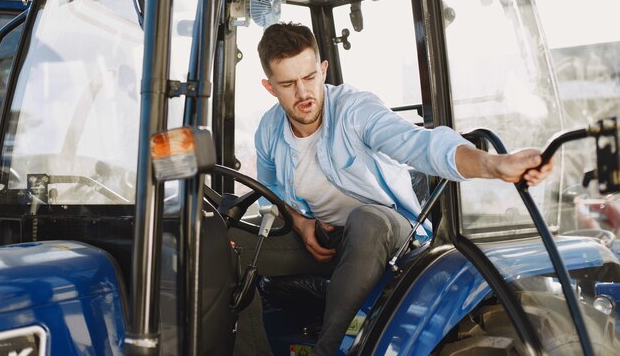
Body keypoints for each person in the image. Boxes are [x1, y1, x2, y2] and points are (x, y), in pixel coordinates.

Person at [230, 22, 553, 356]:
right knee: (224, 241)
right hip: (323, 239)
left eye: (310, 78)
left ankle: (327, 350)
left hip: (391, 234)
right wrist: (300, 223)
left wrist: (492, 164)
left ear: (323, 69)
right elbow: (272, 194)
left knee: (367, 220)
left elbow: (421, 145)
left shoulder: (355, 111)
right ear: (270, 88)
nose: (303, 94)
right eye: (288, 84)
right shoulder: (269, 130)